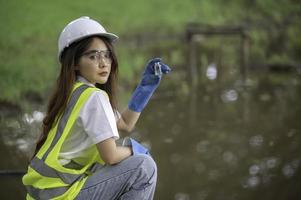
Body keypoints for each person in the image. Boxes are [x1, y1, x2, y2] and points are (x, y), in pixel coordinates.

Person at [22, 16, 171, 200]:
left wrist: (145, 88)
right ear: (74, 63)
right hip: (63, 194)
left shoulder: (73, 91)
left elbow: (124, 123)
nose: (104, 63)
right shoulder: (94, 97)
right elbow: (111, 156)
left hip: (46, 193)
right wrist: (135, 150)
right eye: (93, 56)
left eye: (107, 55)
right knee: (144, 167)